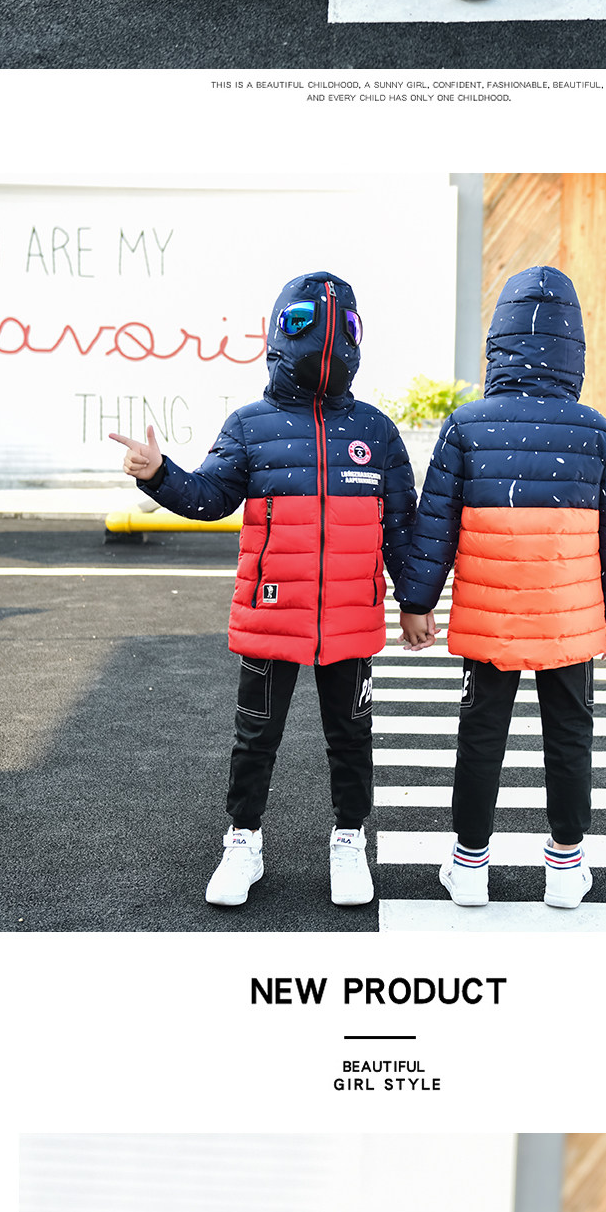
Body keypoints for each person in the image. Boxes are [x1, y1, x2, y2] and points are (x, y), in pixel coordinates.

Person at [111, 271, 415, 908]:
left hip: (349, 617)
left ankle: (349, 839)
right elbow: (210, 497)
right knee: (255, 738)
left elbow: (401, 527)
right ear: (281, 332)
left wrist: (415, 602)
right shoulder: (251, 425)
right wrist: (160, 473)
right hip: (271, 612)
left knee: (351, 738)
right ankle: (243, 841)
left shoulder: (376, 431)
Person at [397, 264, 606, 910]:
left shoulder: (466, 426)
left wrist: (417, 601)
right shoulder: (598, 432)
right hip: (570, 618)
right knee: (570, 736)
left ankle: (469, 865)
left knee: (481, 736)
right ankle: (565, 867)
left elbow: (435, 524)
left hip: (490, 616)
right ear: (573, 348)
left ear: (498, 342)